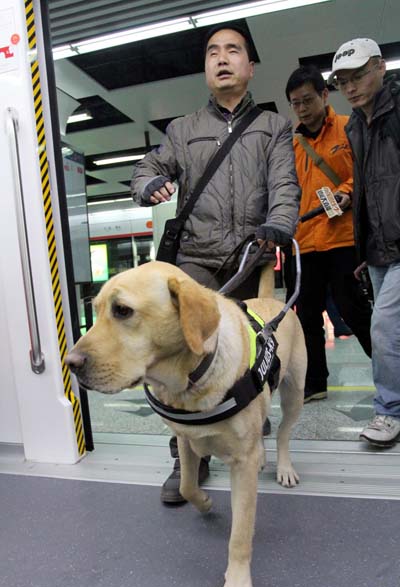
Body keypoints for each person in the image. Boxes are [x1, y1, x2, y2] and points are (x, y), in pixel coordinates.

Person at [131, 25, 301, 503]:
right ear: (206, 68)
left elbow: (284, 186)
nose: (221, 59)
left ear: (250, 67)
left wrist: (280, 225)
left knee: (248, 364)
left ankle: (246, 439)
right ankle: (184, 455)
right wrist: (147, 186)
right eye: (212, 53)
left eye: (233, 51)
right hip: (197, 267)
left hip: (251, 261)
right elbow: (148, 168)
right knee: (185, 361)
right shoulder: (183, 131)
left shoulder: (273, 127)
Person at [285, 65, 372, 403]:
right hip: (303, 245)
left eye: (308, 99)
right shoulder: (291, 145)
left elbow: (366, 173)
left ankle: (390, 374)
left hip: (342, 241)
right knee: (306, 318)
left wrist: (348, 191)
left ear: (324, 95)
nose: (303, 108)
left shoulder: (351, 129)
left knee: (355, 310)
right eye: (295, 103)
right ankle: (315, 383)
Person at [328, 38, 400, 446]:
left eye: (358, 76)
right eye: (342, 81)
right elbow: (367, 191)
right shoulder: (355, 125)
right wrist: (362, 248)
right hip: (376, 249)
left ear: (380, 67)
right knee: (393, 329)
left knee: (385, 327)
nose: (351, 87)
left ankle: (388, 411)